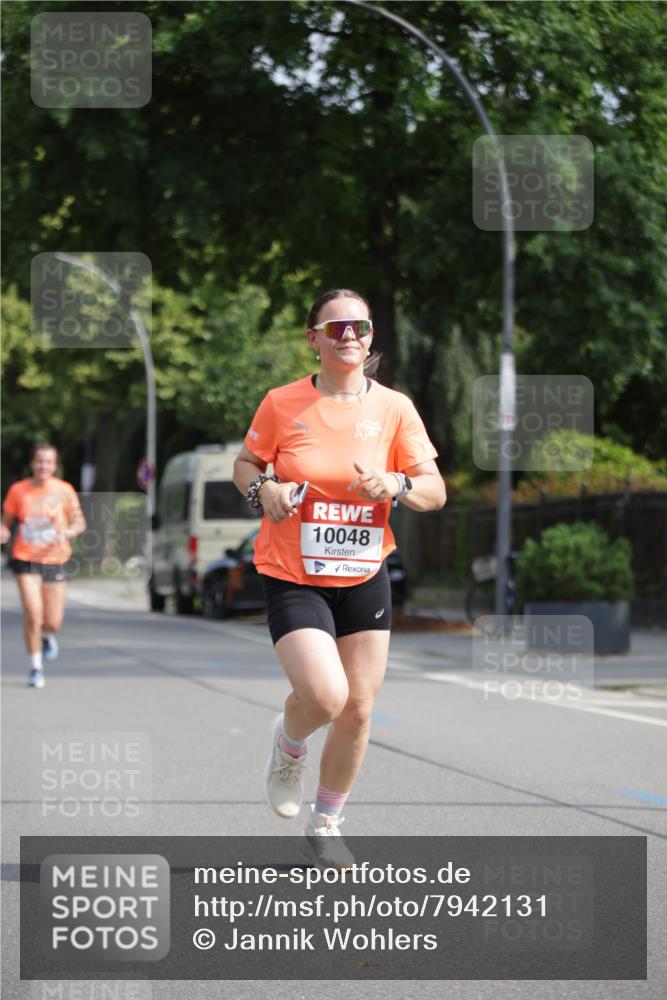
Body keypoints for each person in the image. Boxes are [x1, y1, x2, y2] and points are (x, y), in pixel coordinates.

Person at [233, 289, 446, 863]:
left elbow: (434, 488)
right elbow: (247, 463)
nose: (349, 335)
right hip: (293, 569)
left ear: (371, 337)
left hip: (364, 570)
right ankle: (289, 742)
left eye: (360, 327)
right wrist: (266, 489)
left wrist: (397, 484)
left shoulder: (395, 408)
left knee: (358, 705)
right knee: (326, 696)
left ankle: (326, 822)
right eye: (336, 328)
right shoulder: (282, 403)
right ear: (314, 339)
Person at [1, 442, 86, 688]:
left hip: (56, 559)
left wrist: (68, 533)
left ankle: (48, 636)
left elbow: (79, 523)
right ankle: (36, 667)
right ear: (32, 463)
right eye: (39, 461)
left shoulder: (65, 490)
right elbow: (6, 521)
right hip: (25, 557)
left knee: (52, 621)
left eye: (48, 462)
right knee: (33, 612)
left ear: (55, 465)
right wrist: (4, 531)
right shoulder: (19, 491)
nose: (43, 466)